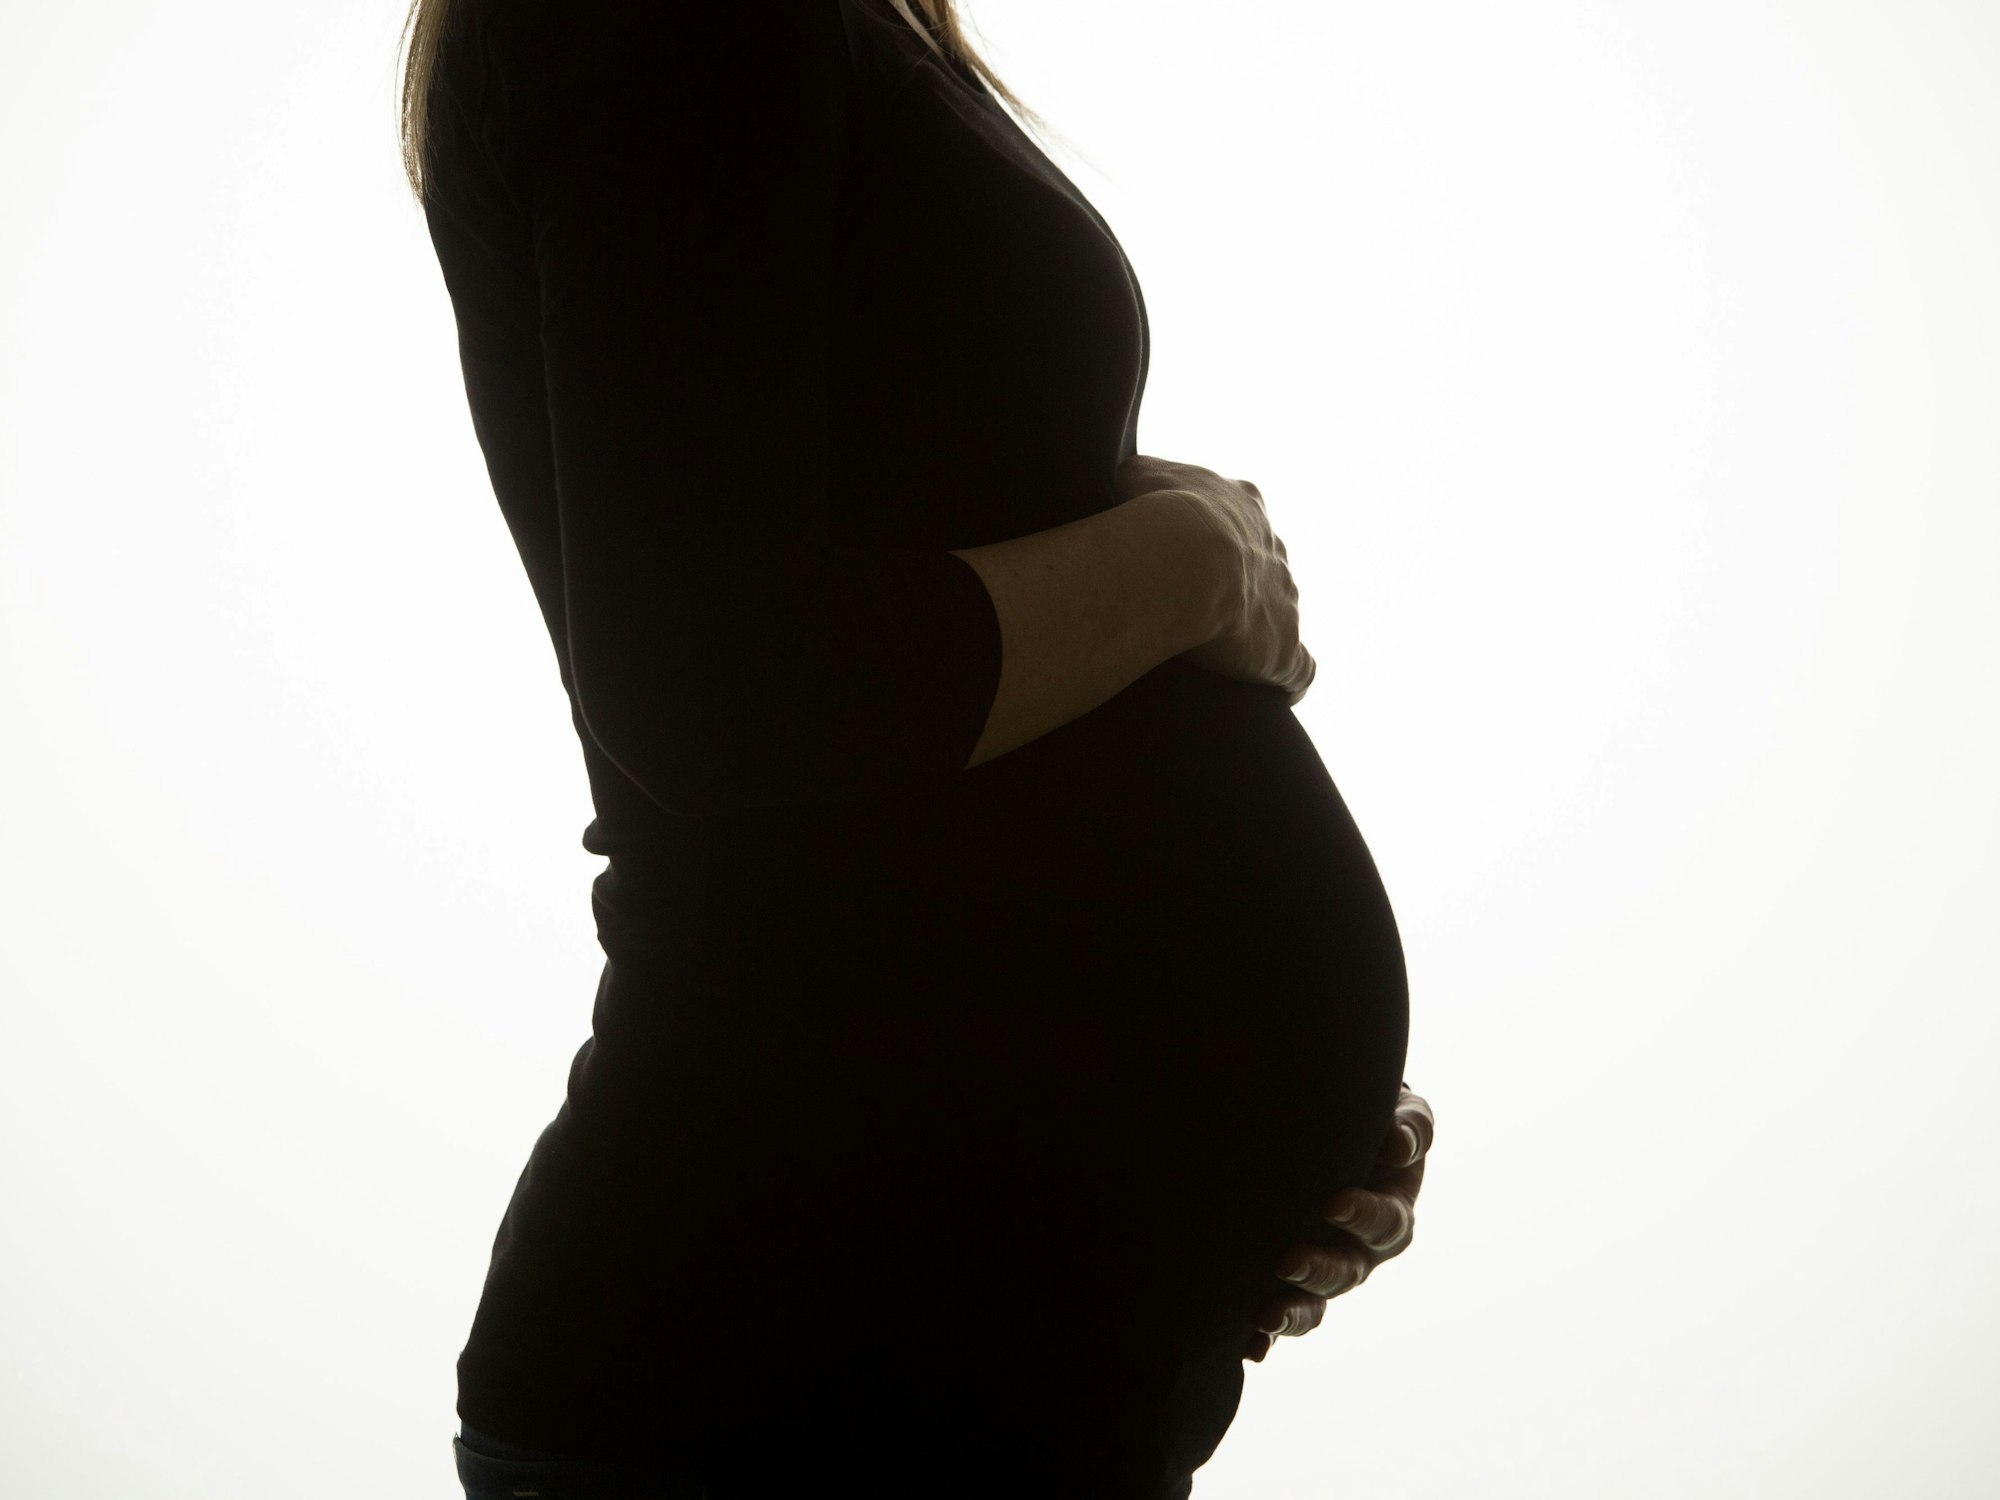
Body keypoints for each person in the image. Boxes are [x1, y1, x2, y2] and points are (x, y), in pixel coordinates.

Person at [403, 0, 1426, 1494]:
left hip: (959, 1342)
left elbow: (888, 492)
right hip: (798, 1359)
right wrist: (1195, 569)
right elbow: (722, 685)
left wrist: (1247, 1130)